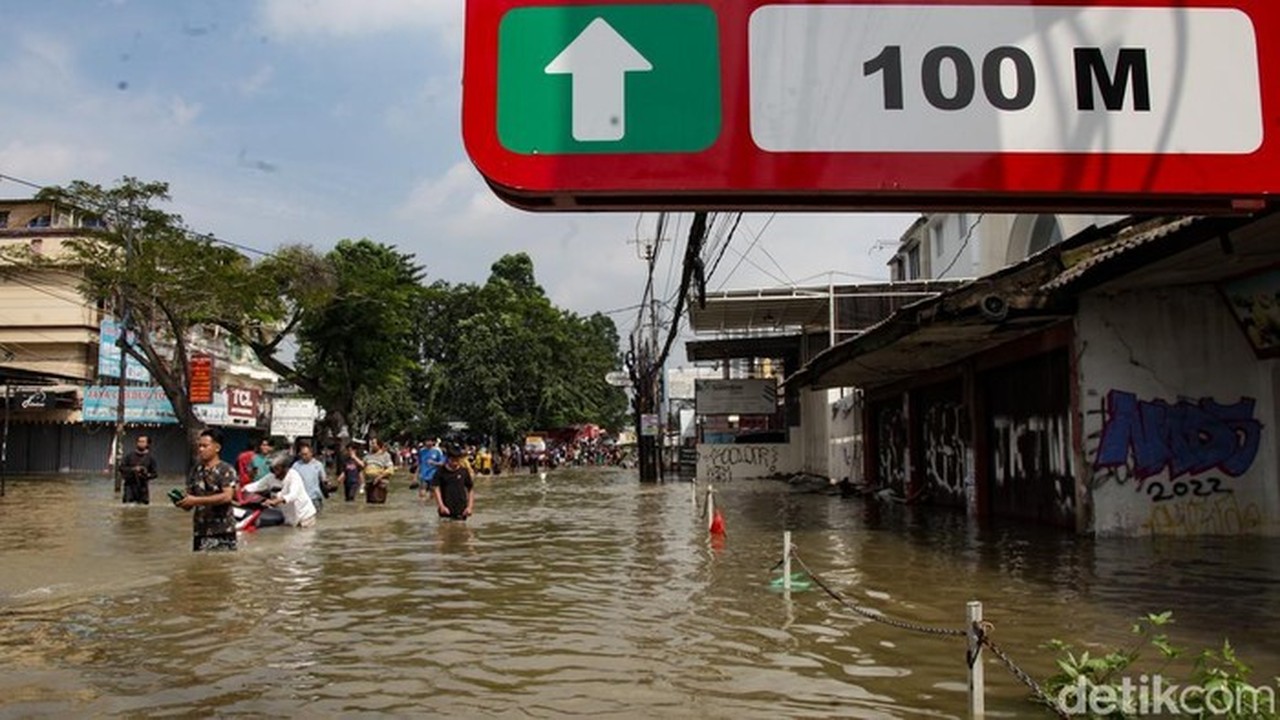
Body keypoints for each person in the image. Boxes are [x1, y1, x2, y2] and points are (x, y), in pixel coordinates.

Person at [177, 428, 238, 551]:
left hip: (222, 531)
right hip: (200, 531)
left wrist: (195, 501)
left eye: (205, 446)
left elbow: (227, 497)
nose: (201, 449)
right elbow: (190, 501)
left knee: (222, 563)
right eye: (199, 446)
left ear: (217, 448)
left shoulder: (225, 469)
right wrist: (183, 502)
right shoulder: (196, 470)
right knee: (200, 563)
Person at [244, 451, 317, 528]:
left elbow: (293, 495)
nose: (275, 473)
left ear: (285, 468)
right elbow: (256, 486)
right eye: (272, 469)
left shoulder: (294, 476)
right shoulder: (270, 477)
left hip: (305, 517)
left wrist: (275, 501)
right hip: (289, 517)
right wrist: (242, 489)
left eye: (277, 469)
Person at [433, 442, 474, 520]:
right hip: (445, 510)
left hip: (462, 510)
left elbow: (470, 489)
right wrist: (441, 506)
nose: (455, 463)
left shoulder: (464, 471)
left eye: (457, 460)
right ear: (448, 458)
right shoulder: (440, 472)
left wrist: (469, 507)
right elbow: (436, 488)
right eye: (452, 460)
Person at [119, 434, 158, 504]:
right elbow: (121, 468)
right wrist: (133, 469)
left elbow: (155, 474)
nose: (141, 443)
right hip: (130, 486)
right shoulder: (129, 456)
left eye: (143, 442)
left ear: (147, 444)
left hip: (143, 487)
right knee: (128, 506)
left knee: (143, 506)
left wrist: (146, 474)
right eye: (139, 441)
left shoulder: (150, 458)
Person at [291, 441, 327, 512]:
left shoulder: (318, 465)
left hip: (315, 498)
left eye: (306, 454)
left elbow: (324, 479)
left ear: (311, 453)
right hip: (300, 498)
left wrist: (328, 485)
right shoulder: (296, 465)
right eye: (302, 454)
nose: (303, 456)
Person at [363, 438, 394, 504]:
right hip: (369, 483)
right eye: (371, 443)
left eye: (373, 443)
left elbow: (390, 469)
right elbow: (363, 466)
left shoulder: (385, 455)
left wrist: (379, 477)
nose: (371, 445)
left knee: (377, 504)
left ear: (379, 445)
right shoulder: (367, 456)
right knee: (370, 504)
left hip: (380, 483)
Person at [417, 438, 445, 504]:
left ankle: (429, 503)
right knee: (422, 492)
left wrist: (434, 463)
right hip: (423, 475)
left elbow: (442, 463)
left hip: (433, 475)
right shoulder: (422, 451)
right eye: (427, 441)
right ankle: (421, 506)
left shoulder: (437, 451)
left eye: (430, 441)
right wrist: (416, 475)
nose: (428, 442)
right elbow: (419, 463)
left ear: (433, 442)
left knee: (432, 493)